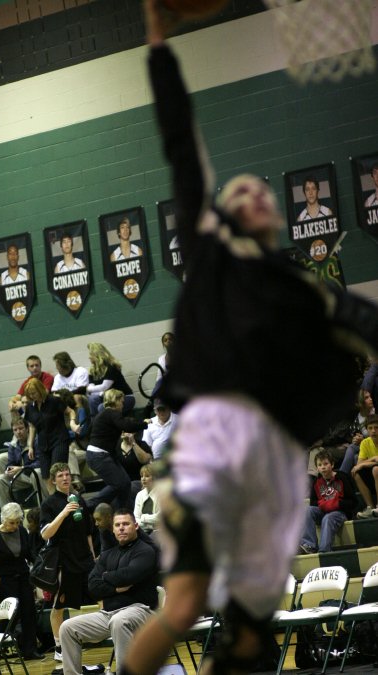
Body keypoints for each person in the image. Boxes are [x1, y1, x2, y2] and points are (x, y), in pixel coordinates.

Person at [122, 4, 378, 675]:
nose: (250, 190)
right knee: (182, 606)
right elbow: (182, 143)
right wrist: (158, 49)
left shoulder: (306, 289)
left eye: (257, 188)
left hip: (277, 456)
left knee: (250, 639)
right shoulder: (211, 250)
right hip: (212, 432)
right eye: (235, 188)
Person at [58, 510, 158, 675]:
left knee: (119, 621)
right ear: (112, 529)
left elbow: (129, 575)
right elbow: (93, 586)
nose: (121, 528)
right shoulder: (107, 555)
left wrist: (105, 576)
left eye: (125, 524)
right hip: (108, 614)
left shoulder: (145, 551)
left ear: (136, 526)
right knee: (67, 627)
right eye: (117, 525)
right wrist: (115, 587)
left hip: (141, 610)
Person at [39, 462, 95, 662]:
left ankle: (113, 634)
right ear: (54, 481)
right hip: (64, 561)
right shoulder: (49, 504)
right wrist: (63, 513)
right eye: (61, 476)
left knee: (102, 594)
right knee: (59, 605)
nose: (65, 478)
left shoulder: (80, 499)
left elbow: (88, 532)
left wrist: (93, 555)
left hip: (85, 559)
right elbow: (46, 533)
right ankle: (59, 646)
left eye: (67, 474)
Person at [0, 502, 44, 660]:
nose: (15, 526)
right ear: (3, 520)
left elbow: (29, 554)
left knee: (29, 613)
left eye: (18, 522)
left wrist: (40, 563)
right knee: (10, 615)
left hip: (23, 577)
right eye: (12, 522)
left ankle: (29, 650)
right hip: (5, 580)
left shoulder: (21, 531)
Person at [86, 389, 147, 510]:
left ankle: (124, 511)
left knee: (125, 484)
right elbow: (126, 425)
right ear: (116, 400)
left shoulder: (104, 415)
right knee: (120, 483)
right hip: (99, 456)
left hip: (99, 455)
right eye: (122, 402)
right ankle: (88, 505)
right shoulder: (111, 413)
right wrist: (144, 423)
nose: (123, 405)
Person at [299, 449, 356, 554]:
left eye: (326, 464)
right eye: (320, 465)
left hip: (340, 512)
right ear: (317, 468)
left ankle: (324, 551)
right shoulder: (317, 482)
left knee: (328, 518)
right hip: (324, 511)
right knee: (307, 510)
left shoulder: (342, 477)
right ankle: (309, 545)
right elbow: (314, 504)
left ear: (332, 464)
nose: (323, 467)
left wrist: (336, 504)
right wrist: (324, 504)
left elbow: (353, 502)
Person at [24, 377, 77, 487]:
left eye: (34, 393)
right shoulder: (30, 407)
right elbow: (32, 426)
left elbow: (70, 411)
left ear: (40, 390)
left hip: (59, 440)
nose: (32, 396)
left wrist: (72, 423)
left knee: (57, 474)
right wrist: (30, 446)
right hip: (43, 444)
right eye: (30, 394)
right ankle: (56, 501)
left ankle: (72, 500)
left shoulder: (54, 400)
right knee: (46, 477)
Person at [0, 417, 47, 508]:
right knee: (0, 479)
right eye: (15, 430)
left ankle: (44, 508)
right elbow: (10, 463)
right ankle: (9, 513)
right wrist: (9, 470)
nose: (18, 432)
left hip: (36, 475)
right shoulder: (13, 445)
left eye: (21, 428)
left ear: (27, 429)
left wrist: (22, 468)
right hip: (23, 477)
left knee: (37, 472)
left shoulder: (36, 441)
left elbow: (41, 463)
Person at [87, 343, 135, 416]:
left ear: (98, 355)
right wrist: (99, 392)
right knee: (92, 399)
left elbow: (104, 387)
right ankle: (95, 425)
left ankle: (106, 425)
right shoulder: (92, 370)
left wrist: (92, 390)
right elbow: (91, 390)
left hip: (124, 398)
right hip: (107, 398)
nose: (89, 357)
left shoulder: (112, 367)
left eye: (91, 355)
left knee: (101, 408)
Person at [352, 414, 378, 518]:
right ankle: (370, 508)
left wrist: (367, 463)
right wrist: (373, 458)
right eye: (370, 428)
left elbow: (363, 464)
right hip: (374, 479)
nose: (373, 431)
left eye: (376, 428)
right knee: (356, 472)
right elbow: (359, 465)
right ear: (367, 430)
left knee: (376, 469)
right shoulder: (365, 443)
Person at [133, 464, 160, 535]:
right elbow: (136, 519)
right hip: (143, 531)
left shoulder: (161, 494)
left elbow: (160, 518)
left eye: (147, 476)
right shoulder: (139, 495)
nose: (143, 479)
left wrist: (143, 517)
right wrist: (151, 525)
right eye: (142, 476)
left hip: (159, 532)